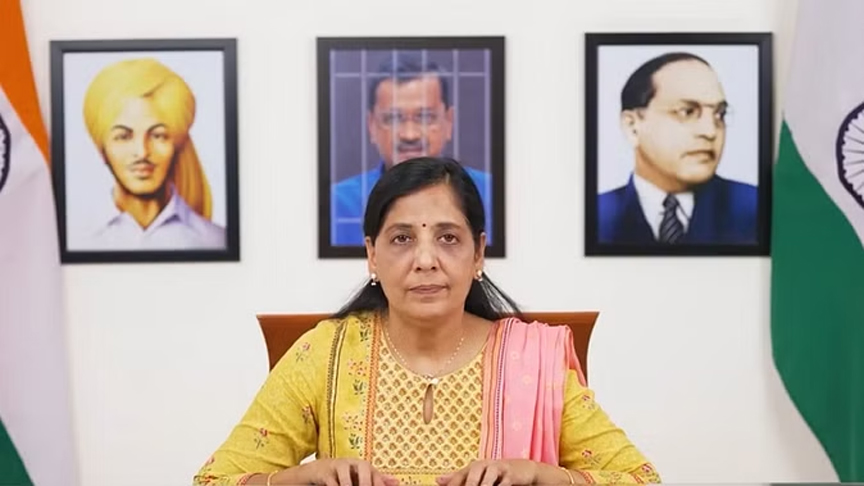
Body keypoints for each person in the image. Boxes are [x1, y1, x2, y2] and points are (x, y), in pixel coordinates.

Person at [194, 157, 660, 486]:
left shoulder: (533, 361)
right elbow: (215, 480)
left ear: (478, 253)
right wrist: (303, 477)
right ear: (372, 255)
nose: (425, 260)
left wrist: (538, 475)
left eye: (448, 238)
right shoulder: (326, 354)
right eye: (401, 239)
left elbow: (640, 480)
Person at [330, 55, 493, 247]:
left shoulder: (491, 194)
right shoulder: (338, 203)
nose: (410, 134)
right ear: (372, 125)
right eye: (393, 118)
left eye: (425, 117)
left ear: (448, 121)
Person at [598, 52, 758, 245]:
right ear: (632, 126)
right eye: (687, 112)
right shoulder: (595, 217)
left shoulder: (757, 209)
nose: (710, 131)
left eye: (719, 114)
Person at [74, 57, 225, 251]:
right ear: (102, 149)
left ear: (177, 144)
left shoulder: (216, 240)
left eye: (157, 135)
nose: (142, 152)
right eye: (123, 136)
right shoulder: (75, 238)